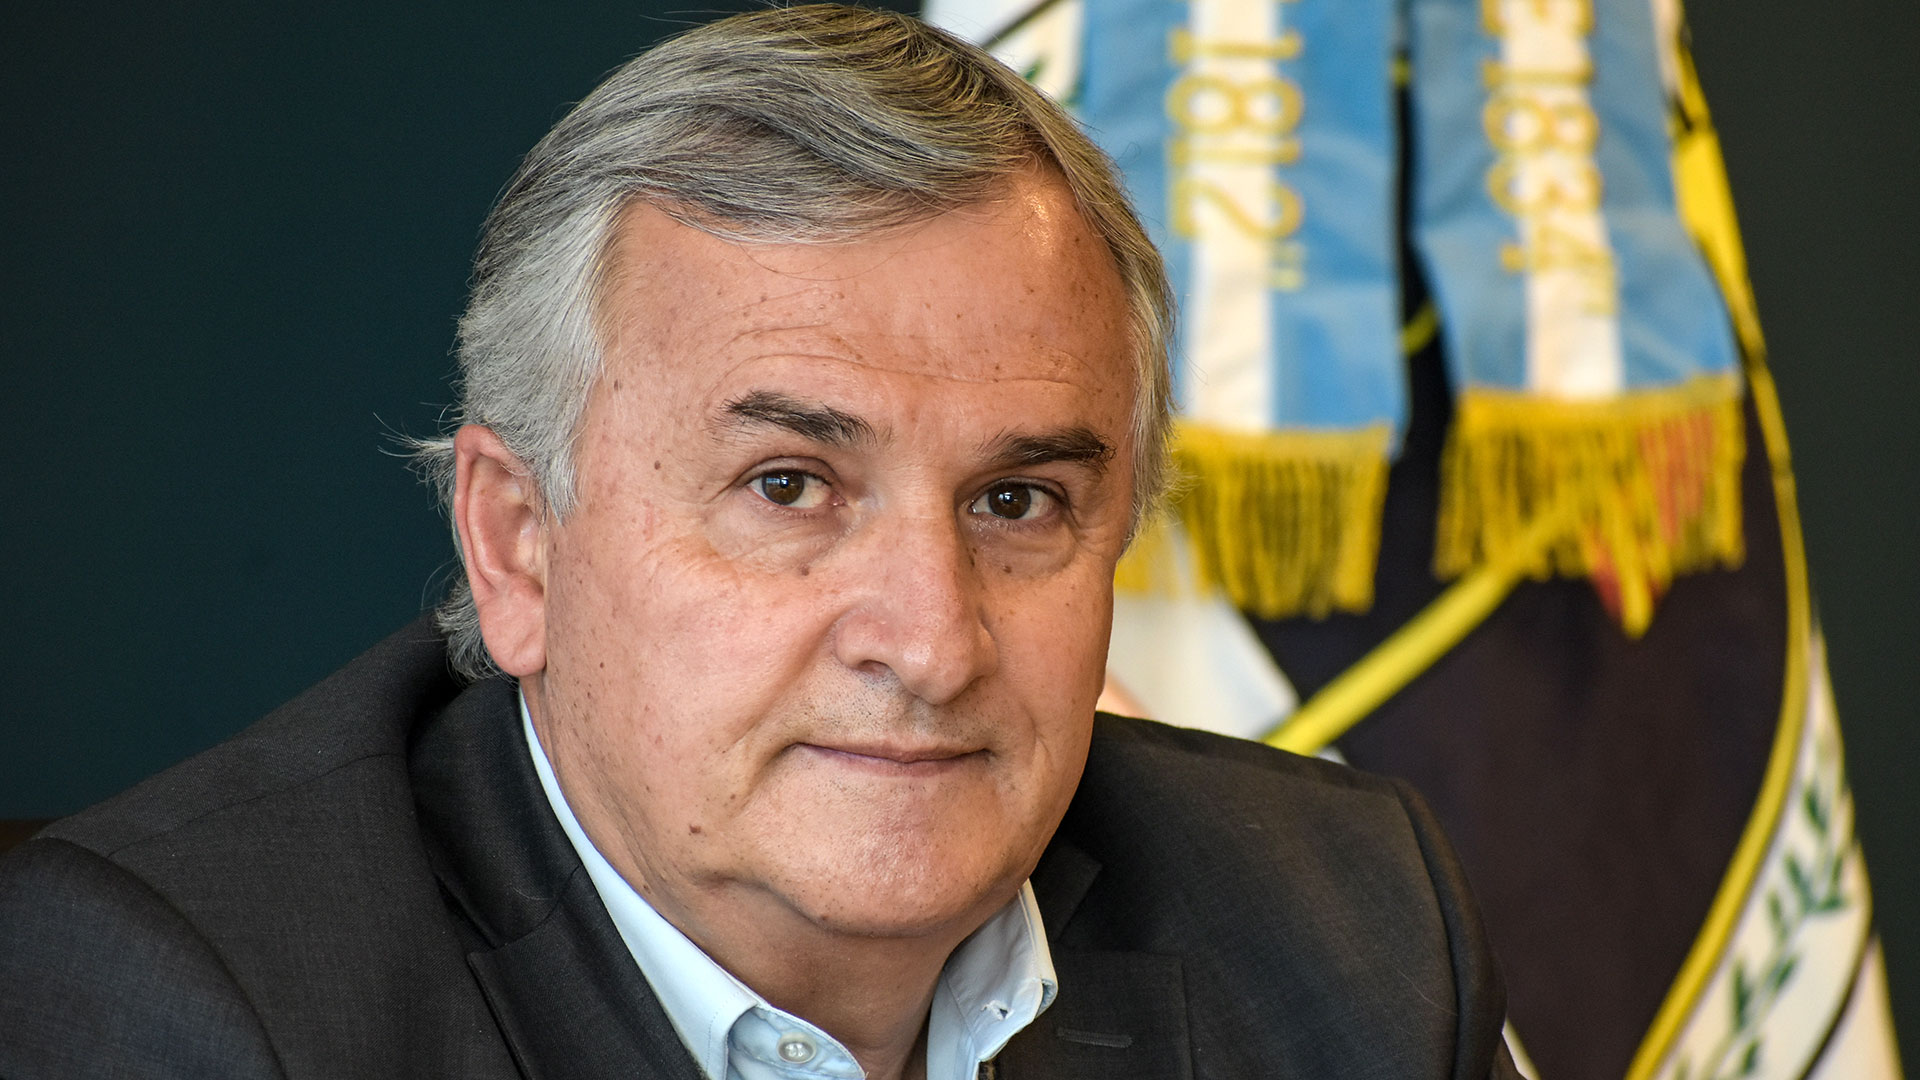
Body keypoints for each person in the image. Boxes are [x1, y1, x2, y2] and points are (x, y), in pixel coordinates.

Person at [0, 7, 1522, 1078]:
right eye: (790, 487)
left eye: (1015, 503)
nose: (931, 644)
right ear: (519, 549)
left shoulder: (1351, 934)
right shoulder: (189, 1005)